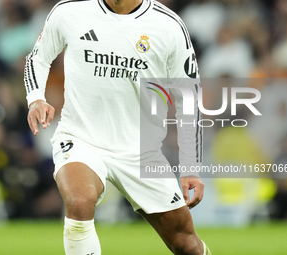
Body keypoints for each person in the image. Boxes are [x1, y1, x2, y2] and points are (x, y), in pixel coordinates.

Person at [24, 0, 212, 254]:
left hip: (141, 152)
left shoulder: (168, 26)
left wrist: (190, 166)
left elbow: (187, 98)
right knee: (79, 202)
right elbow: (38, 57)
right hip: (81, 138)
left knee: (185, 243)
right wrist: (36, 98)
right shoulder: (69, 12)